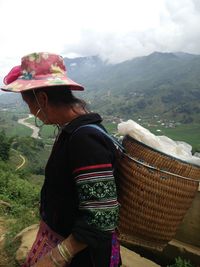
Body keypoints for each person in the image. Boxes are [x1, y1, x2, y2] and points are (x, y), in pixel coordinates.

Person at [1, 52, 121, 267]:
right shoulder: (71, 131)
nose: (30, 111)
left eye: (28, 103)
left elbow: (102, 215)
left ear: (42, 99)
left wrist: (57, 257)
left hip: (84, 259)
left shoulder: (85, 139)